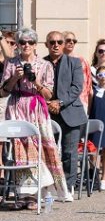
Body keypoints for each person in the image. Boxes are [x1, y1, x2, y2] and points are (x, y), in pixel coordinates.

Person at [0, 27, 71, 208]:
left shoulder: (45, 65)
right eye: (22, 42)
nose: (26, 45)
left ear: (35, 45)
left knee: (42, 149)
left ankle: (37, 194)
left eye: (30, 42)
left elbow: (48, 95)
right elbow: (3, 91)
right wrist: (15, 77)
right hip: (16, 106)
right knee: (20, 151)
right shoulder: (11, 63)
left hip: (36, 108)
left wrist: (35, 81)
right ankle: (23, 195)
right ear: (17, 45)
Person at [41, 31, 88, 200]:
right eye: (52, 42)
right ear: (46, 44)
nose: (56, 44)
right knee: (46, 152)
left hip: (70, 112)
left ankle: (67, 187)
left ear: (63, 44)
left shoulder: (74, 63)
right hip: (46, 112)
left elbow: (77, 87)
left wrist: (59, 102)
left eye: (59, 42)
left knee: (69, 152)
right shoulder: (41, 63)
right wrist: (49, 104)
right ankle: (48, 187)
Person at [63, 31, 91, 113]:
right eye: (68, 40)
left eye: (74, 41)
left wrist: (87, 104)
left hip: (80, 102)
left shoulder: (82, 61)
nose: (71, 42)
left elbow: (88, 85)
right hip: (62, 103)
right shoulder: (57, 61)